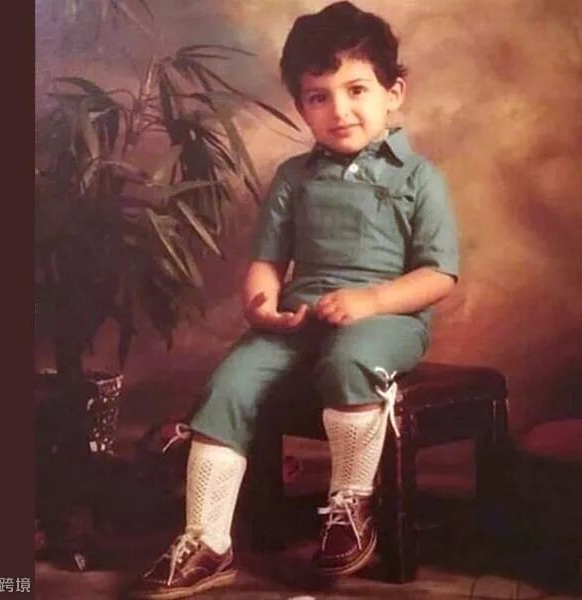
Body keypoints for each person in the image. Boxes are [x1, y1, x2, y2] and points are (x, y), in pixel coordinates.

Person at [130, 1, 459, 597]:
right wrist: (261, 303)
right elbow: (268, 261)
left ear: (394, 92)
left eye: (356, 90)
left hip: (387, 319)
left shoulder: (418, 178)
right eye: (318, 97)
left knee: (350, 357)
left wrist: (370, 301)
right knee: (229, 383)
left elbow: (439, 275)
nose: (339, 110)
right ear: (302, 106)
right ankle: (207, 540)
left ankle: (351, 505)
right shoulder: (294, 178)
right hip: (299, 318)